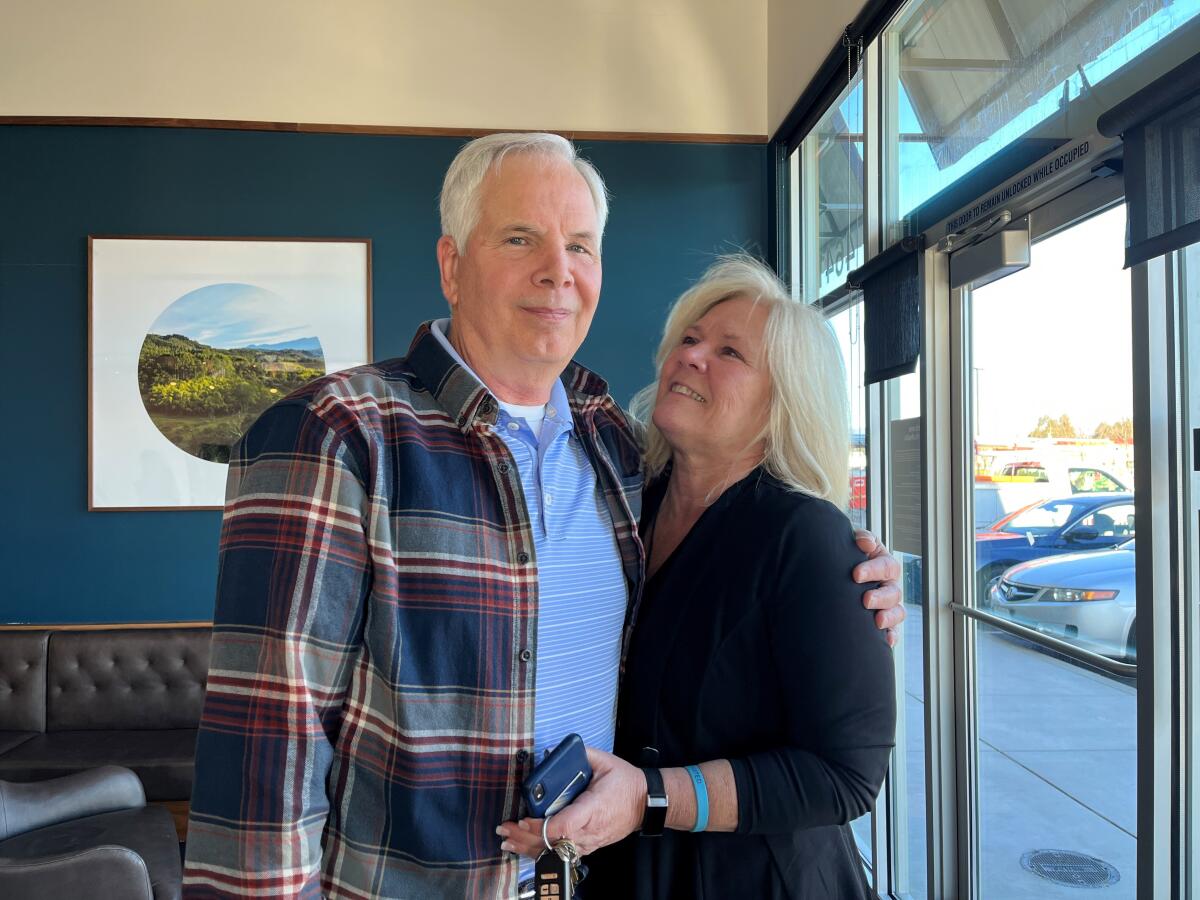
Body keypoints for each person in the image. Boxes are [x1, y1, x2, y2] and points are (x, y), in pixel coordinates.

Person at [182, 133, 904, 899]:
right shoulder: (338, 435)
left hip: (594, 878)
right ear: (452, 266)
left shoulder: (611, 452)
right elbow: (268, 745)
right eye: (520, 237)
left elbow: (830, 736)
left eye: (580, 246)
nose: (557, 270)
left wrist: (859, 582)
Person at [498, 256, 897, 899]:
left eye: (730, 352)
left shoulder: (810, 540)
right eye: (689, 338)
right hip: (623, 869)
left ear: (781, 403)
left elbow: (845, 774)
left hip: (758, 880)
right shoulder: (624, 502)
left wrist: (652, 799)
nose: (692, 356)